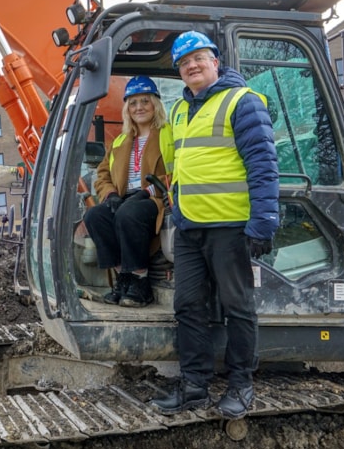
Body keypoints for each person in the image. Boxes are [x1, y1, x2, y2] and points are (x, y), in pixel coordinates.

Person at [150, 30, 279, 420]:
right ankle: (194, 386)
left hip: (230, 226)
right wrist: (175, 204)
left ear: (215, 62)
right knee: (188, 305)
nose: (191, 65)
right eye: (184, 62)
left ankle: (241, 384)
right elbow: (177, 163)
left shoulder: (242, 102)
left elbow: (263, 164)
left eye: (198, 58)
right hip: (190, 227)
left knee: (237, 307)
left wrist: (263, 222)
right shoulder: (178, 110)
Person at [82, 75, 168, 307]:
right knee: (95, 215)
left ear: (155, 104)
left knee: (129, 213)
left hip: (155, 198)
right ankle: (124, 277)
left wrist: (148, 191)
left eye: (144, 101)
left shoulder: (169, 135)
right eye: (133, 103)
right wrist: (110, 195)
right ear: (127, 109)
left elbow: (179, 168)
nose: (138, 107)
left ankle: (141, 282)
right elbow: (103, 174)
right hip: (123, 198)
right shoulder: (120, 141)